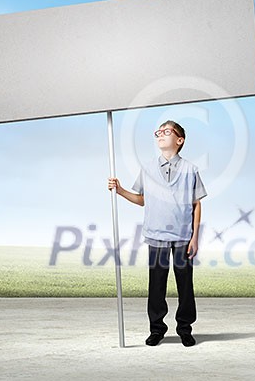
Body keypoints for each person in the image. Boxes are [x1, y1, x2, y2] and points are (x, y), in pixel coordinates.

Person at [107, 120, 207, 347]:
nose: (161, 134)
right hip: (157, 235)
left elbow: (196, 204)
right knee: (157, 285)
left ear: (179, 140)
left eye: (167, 131)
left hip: (183, 236)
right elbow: (142, 200)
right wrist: (120, 190)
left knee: (185, 285)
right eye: (158, 132)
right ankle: (157, 328)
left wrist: (195, 237)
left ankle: (185, 328)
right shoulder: (148, 169)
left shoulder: (191, 170)